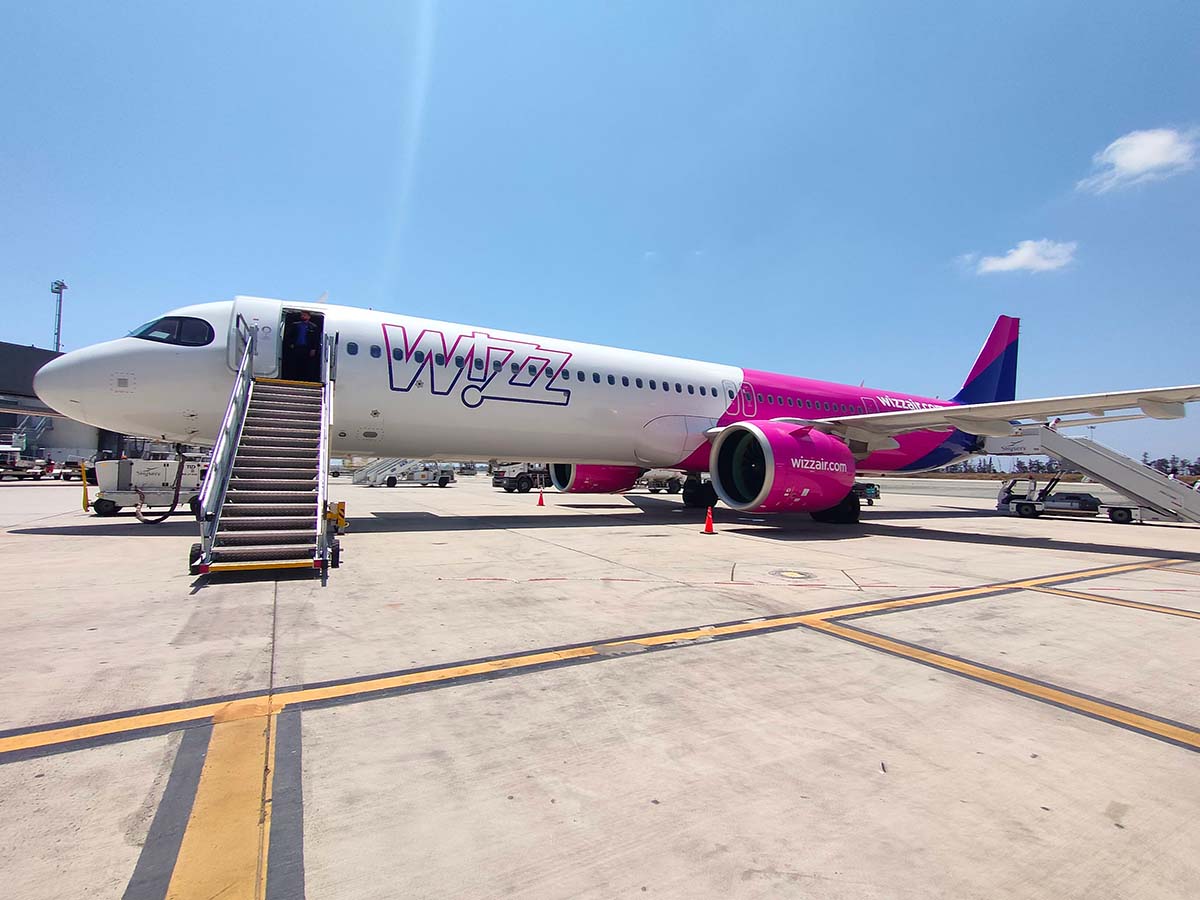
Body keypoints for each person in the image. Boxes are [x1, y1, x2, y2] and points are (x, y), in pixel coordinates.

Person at [285, 311, 321, 381]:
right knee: (294, 363)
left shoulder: (313, 327)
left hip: (307, 349)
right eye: (302, 315)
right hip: (296, 347)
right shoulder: (295, 325)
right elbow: (289, 335)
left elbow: (315, 339)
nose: (303, 317)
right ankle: (293, 378)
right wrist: (291, 344)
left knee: (305, 364)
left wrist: (313, 349)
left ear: (309, 317)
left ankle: (303, 378)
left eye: (305, 315)